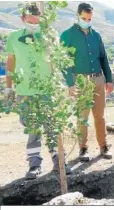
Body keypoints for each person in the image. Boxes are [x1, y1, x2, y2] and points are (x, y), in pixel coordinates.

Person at [5, 3, 71, 179]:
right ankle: (34, 165)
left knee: (52, 127)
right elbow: (10, 62)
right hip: (25, 91)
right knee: (33, 128)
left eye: (37, 22)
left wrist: (58, 86)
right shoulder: (13, 38)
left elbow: (57, 61)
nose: (34, 25)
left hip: (47, 90)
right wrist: (8, 86)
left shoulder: (49, 36)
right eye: (30, 21)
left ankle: (60, 162)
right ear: (23, 19)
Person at [60, 2, 113, 161]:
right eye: (84, 18)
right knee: (82, 117)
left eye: (90, 19)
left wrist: (109, 80)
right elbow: (64, 62)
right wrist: (70, 83)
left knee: (100, 116)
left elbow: (104, 58)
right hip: (80, 80)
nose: (87, 21)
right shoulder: (67, 35)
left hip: (98, 79)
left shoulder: (96, 35)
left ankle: (103, 146)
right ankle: (83, 149)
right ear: (77, 16)